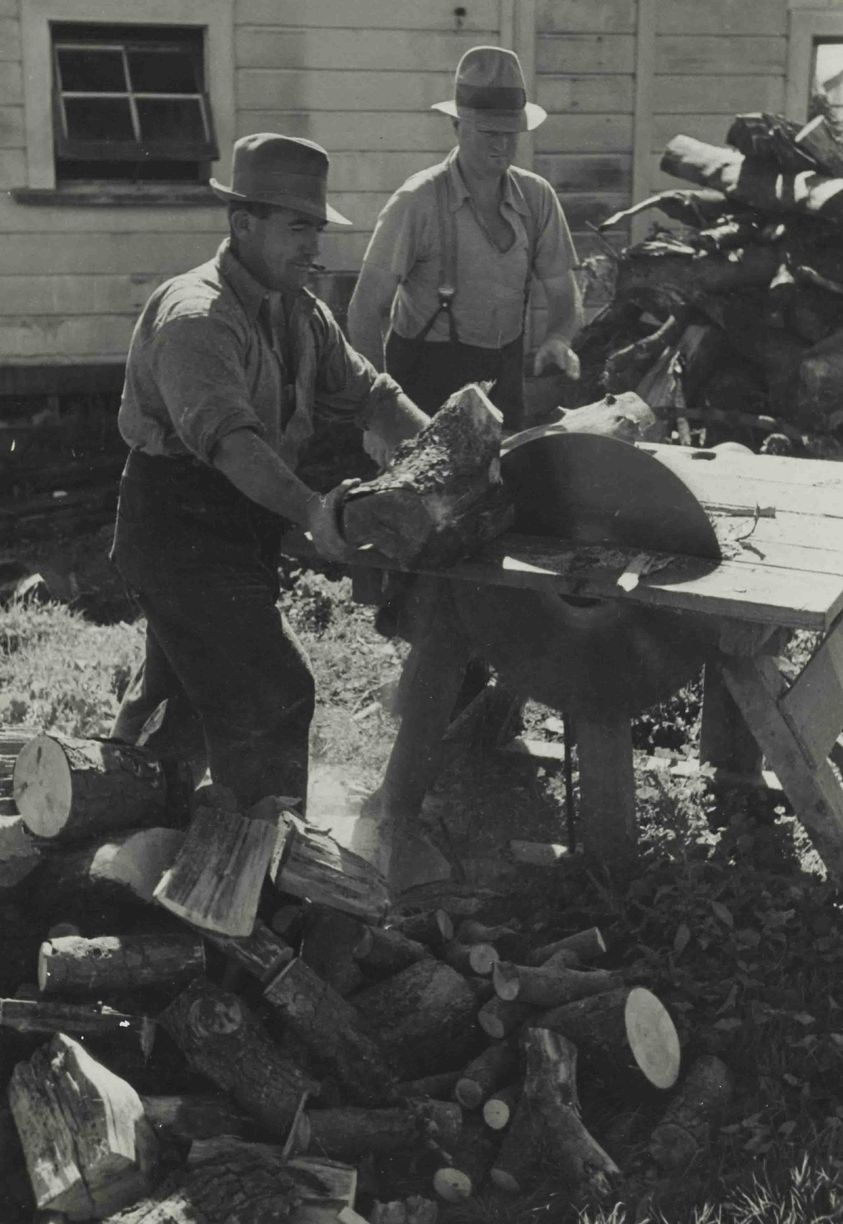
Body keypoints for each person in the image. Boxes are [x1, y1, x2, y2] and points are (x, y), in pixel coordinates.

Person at [109, 132, 429, 812]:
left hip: (237, 531)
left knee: (179, 703)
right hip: (178, 531)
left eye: (315, 228)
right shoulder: (196, 317)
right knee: (271, 690)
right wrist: (314, 511)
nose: (313, 247)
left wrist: (449, 450)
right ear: (242, 223)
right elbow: (233, 445)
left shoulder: (299, 311)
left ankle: (127, 831)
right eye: (296, 229)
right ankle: (263, 876)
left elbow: (371, 395)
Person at [346, 44, 584, 429]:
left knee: (508, 480)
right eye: (489, 132)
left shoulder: (537, 197)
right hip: (424, 382)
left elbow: (562, 289)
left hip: (503, 376)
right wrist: (381, 409)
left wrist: (559, 336)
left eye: (511, 133)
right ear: (457, 126)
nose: (502, 144)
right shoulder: (417, 202)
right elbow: (364, 310)